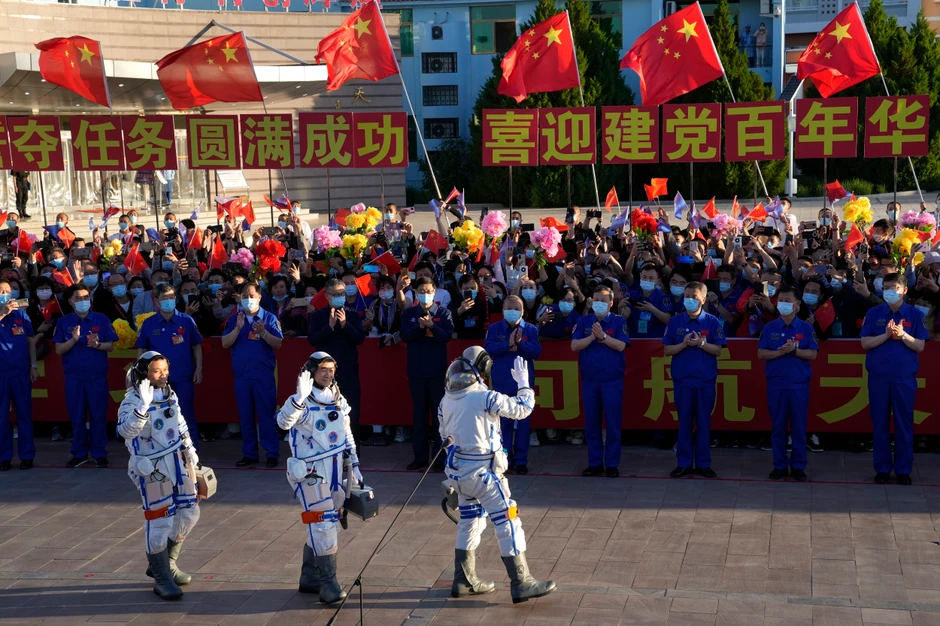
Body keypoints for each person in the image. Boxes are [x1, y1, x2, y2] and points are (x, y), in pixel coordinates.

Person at [439, 347, 555, 603]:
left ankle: (464, 579)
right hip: (485, 475)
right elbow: (523, 408)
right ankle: (522, 581)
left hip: (459, 474)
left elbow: (444, 437)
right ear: (483, 368)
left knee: (471, 522)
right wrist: (524, 384)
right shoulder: (485, 397)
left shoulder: (446, 400)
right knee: (508, 520)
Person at [276, 352, 362, 605]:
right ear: (311, 372)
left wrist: (354, 464)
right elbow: (283, 422)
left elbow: (346, 433)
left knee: (327, 523)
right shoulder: (301, 401)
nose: (328, 374)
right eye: (323, 369)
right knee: (323, 524)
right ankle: (328, 584)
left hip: (335, 470)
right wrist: (299, 398)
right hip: (311, 473)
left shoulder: (337, 399)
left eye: (331, 369)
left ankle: (310, 577)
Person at [117, 352, 200, 601]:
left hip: (176, 461)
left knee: (189, 512)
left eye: (165, 369)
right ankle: (161, 577)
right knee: (160, 520)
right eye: (156, 370)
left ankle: (167, 563)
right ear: (144, 373)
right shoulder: (132, 400)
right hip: (151, 466)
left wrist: (189, 448)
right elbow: (125, 431)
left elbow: (179, 422)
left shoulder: (169, 394)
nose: (163, 374)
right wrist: (142, 407)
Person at [860, 273, 928, 485]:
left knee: (903, 424)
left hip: (903, 378)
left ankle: (903, 470)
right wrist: (887, 335)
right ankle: (882, 468)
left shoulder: (915, 315)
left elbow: (920, 346)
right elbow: (865, 343)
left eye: (894, 288)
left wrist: (903, 335)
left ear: (904, 290)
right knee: (880, 424)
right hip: (879, 378)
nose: (890, 291)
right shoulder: (874, 313)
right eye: (886, 287)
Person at [663, 282, 726, 478]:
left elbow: (718, 350)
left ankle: (703, 463)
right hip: (682, 382)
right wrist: (683, 344)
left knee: (704, 424)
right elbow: (667, 350)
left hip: (705, 382)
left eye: (694, 297)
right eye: (687, 296)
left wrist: (701, 343)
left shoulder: (712, 322)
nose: (689, 300)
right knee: (684, 424)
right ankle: (683, 463)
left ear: (703, 299)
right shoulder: (675, 322)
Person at [757, 287, 818, 481]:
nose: (782, 304)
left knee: (799, 428)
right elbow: (761, 353)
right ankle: (780, 465)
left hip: (799, 384)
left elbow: (813, 354)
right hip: (776, 384)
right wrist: (779, 352)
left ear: (797, 305)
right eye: (780, 300)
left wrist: (794, 351)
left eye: (787, 300)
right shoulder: (769, 328)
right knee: (778, 427)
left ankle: (798, 466)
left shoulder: (806, 328)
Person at [53, 285, 117, 468]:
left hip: (96, 377)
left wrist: (98, 345)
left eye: (86, 297)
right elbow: (59, 350)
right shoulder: (64, 322)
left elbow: (111, 346)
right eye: (79, 298)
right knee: (77, 417)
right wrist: (73, 340)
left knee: (98, 416)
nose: (83, 301)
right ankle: (79, 453)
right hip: (74, 378)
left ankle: (99, 453)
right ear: (71, 301)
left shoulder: (101, 319)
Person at [222, 282, 284, 468]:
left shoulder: (269, 317)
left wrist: (263, 332)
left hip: (263, 376)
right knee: (245, 416)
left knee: (266, 415)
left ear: (259, 297)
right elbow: (225, 343)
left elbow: (278, 343)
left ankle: (271, 453)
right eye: (245, 296)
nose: (248, 299)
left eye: (252, 296)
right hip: (242, 375)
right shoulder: (235, 318)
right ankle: (249, 454)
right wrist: (238, 328)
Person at [136, 284, 204, 446]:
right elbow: (142, 349)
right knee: (158, 415)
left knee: (185, 413)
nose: (169, 301)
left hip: (182, 375)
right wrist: (140, 373)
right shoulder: (149, 323)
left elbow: (196, 345)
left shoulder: (186, 320)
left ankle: (190, 449)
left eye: (171, 297)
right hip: (157, 380)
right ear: (157, 301)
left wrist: (199, 368)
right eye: (165, 298)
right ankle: (163, 449)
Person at [571, 286, 629, 477]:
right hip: (590, 381)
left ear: (611, 303)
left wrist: (603, 337)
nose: (599, 303)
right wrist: (591, 337)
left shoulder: (618, 321)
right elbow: (574, 345)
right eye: (596, 300)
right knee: (592, 424)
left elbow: (621, 345)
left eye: (603, 300)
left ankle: (612, 464)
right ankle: (595, 463)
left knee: (612, 423)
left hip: (611, 381)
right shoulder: (584, 321)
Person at [484, 296, 541, 474]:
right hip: (501, 380)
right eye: (509, 308)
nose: (513, 311)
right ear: (503, 310)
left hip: (523, 383)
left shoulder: (530, 329)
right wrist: (507, 344)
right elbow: (488, 348)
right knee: (503, 423)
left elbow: (536, 351)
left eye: (517, 308)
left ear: (523, 311)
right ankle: (505, 459)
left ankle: (521, 460)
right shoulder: (494, 328)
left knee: (523, 421)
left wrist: (520, 343)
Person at [401, 277, 453, 471]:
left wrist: (432, 326)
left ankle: (439, 459)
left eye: (428, 291)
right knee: (419, 415)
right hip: (416, 371)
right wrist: (420, 327)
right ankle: (420, 457)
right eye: (421, 291)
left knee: (439, 416)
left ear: (434, 291)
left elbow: (446, 336)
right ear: (416, 293)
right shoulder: (409, 314)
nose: (425, 294)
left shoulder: (443, 313)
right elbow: (405, 336)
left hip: (437, 372)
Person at [308, 279, 365, 446]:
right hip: (324, 375)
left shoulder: (352, 315)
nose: (339, 297)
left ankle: (352, 453)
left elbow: (360, 338)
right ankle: (327, 451)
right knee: (324, 415)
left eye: (341, 294)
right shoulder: (318, 316)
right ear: (327, 296)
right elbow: (312, 339)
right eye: (335, 294)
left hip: (348, 372)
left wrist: (345, 325)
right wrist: (329, 327)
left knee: (351, 415)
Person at [0, 280, 37, 470]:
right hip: (1, 374)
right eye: (1, 291)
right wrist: (2, 313)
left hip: (21, 373)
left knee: (24, 415)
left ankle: (27, 455)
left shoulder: (21, 315)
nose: (6, 294)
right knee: (1, 418)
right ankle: (3, 457)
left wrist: (33, 365)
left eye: (8, 291)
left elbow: (30, 341)